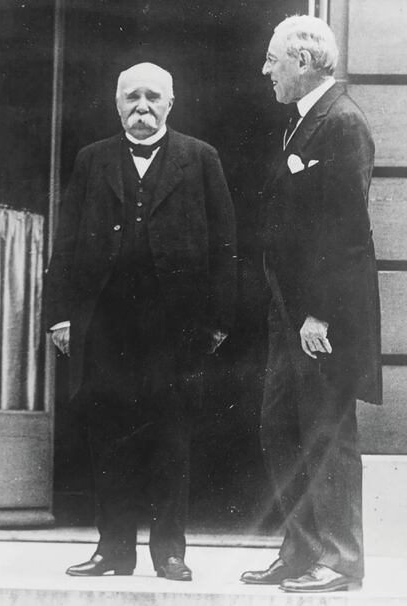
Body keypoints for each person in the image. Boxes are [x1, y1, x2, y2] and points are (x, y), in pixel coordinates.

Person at [45, 62, 237, 581]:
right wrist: (60, 315)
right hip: (104, 323)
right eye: (131, 98)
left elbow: (225, 244)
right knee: (109, 436)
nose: (142, 107)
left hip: (174, 325)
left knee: (171, 437)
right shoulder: (92, 160)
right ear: (117, 104)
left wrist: (217, 318)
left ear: (170, 105)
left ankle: (170, 552)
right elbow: (64, 241)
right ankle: (113, 551)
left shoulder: (200, 159)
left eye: (153, 97)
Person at [240, 16, 381, 594]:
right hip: (291, 317)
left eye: (273, 59)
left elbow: (346, 231)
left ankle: (341, 560)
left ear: (303, 62)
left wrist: (317, 313)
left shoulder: (342, 123)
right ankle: (300, 551)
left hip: (322, 321)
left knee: (325, 435)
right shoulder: (303, 125)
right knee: (283, 431)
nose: (266, 70)